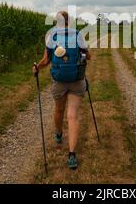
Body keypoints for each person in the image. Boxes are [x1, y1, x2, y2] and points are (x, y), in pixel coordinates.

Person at [33, 11, 91, 170]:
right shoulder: (77, 34)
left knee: (59, 110)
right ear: (68, 21)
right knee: (73, 116)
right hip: (77, 80)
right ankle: (72, 154)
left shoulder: (51, 35)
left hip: (59, 80)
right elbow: (89, 56)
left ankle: (59, 134)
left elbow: (46, 60)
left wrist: (37, 67)